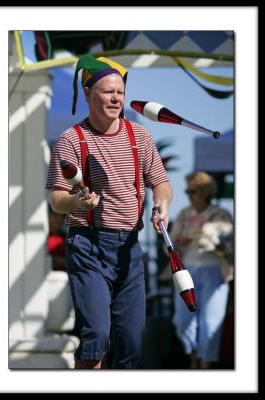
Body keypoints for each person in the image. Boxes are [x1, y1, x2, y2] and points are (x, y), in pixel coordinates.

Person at [45, 54, 173, 369]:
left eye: (120, 92)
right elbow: (57, 200)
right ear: (88, 94)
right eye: (107, 92)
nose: (116, 98)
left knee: (132, 343)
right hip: (87, 244)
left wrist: (162, 204)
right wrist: (77, 203)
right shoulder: (70, 140)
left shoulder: (139, 136)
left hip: (130, 247)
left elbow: (161, 183)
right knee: (97, 337)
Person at [168, 171, 233, 369]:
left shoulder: (221, 215)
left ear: (205, 191)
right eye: (187, 190)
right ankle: (193, 358)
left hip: (215, 271)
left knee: (211, 323)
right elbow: (168, 244)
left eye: (192, 190)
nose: (188, 195)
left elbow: (232, 248)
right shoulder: (184, 214)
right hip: (187, 271)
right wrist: (181, 242)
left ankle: (203, 367)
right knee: (182, 321)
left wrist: (214, 243)